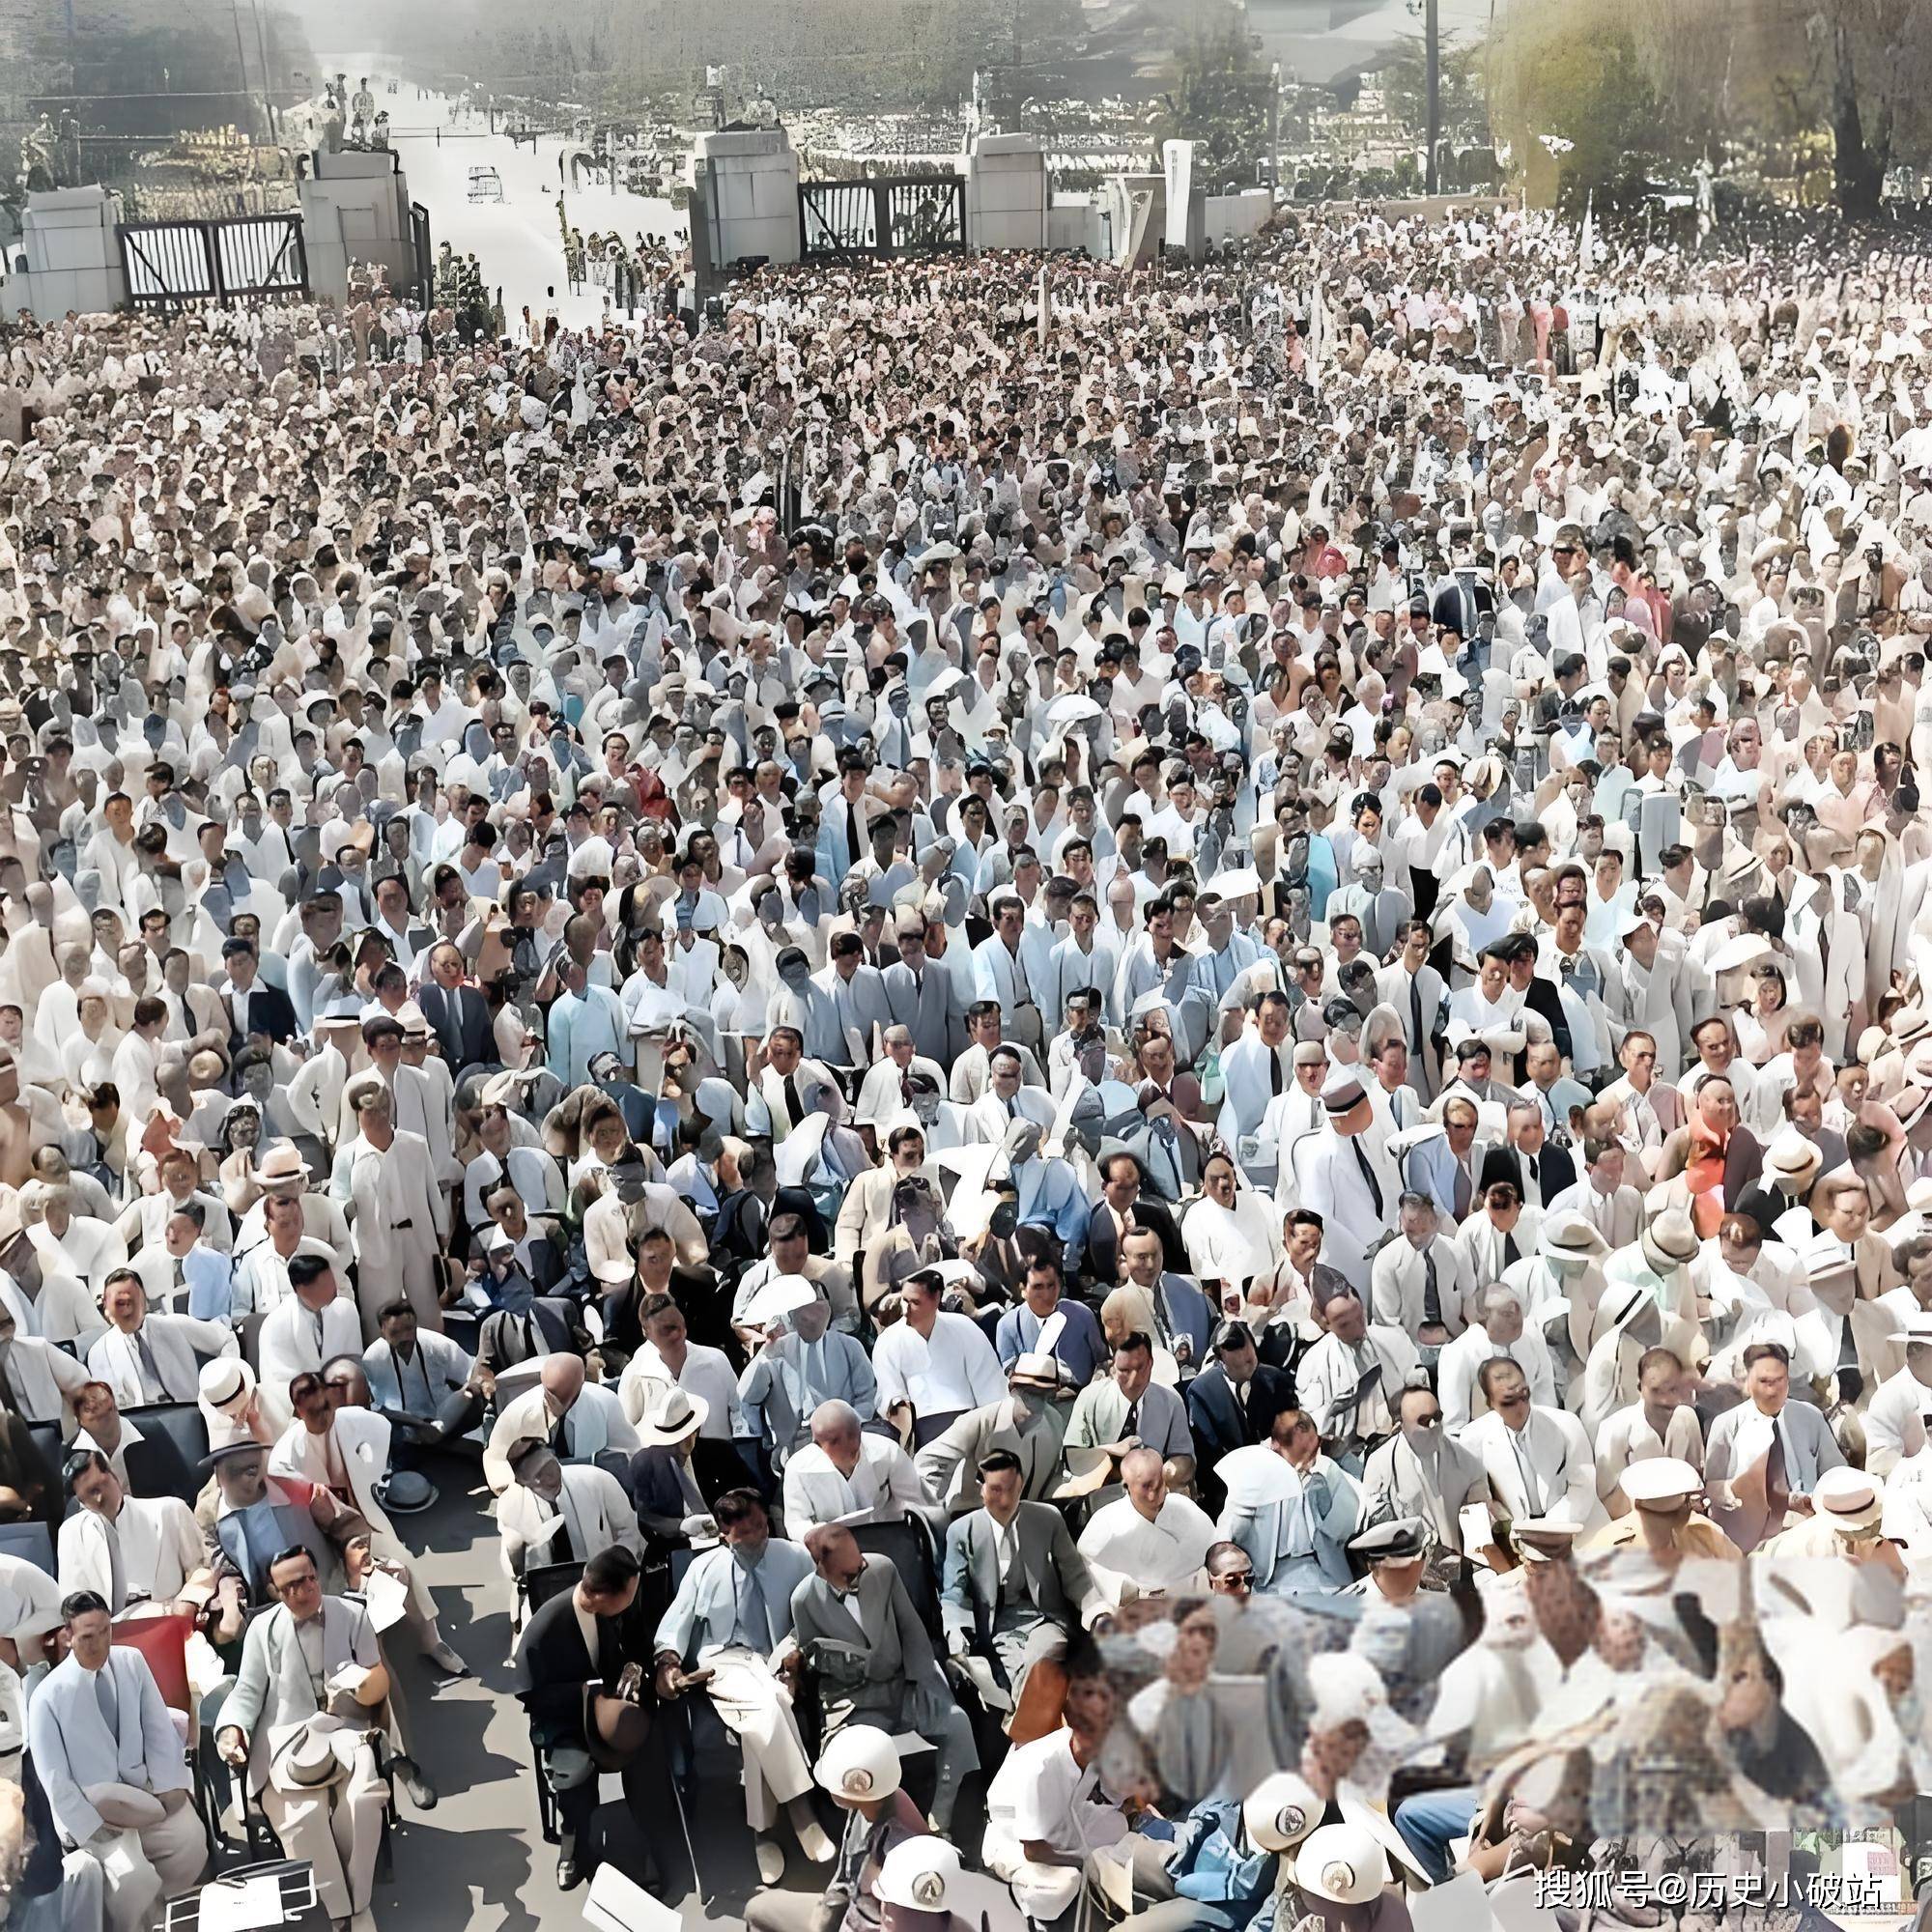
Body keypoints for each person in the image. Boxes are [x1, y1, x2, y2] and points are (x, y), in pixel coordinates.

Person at [653, 1489, 833, 1882]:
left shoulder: (795, 1557)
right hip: (724, 1660)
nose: (756, 1537)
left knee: (756, 1727)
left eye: (760, 1526)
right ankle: (801, 1811)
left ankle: (763, 1835)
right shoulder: (703, 1569)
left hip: (776, 1656)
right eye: (744, 1533)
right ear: (724, 1536)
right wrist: (669, 1664)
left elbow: (814, 1616)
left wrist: (796, 1658)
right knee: (768, 1708)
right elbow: (674, 1626)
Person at [214, 1546, 393, 1928]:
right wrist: (231, 1729)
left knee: (361, 1802)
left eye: (310, 1577)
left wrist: (362, 1686)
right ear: (277, 1591)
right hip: (286, 1740)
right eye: (293, 1584)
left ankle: (358, 1905)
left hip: (348, 1730)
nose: (306, 1588)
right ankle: (335, 1913)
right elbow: (246, 1691)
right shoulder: (262, 1630)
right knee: (304, 1818)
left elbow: (376, 1676)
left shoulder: (352, 1614)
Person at [27, 1589, 204, 1932]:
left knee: (190, 1840)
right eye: (88, 1637)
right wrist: (94, 1831)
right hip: (97, 1818)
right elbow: (55, 1781)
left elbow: (157, 1730)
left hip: (147, 1797)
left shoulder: (131, 1661)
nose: (99, 1645)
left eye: (105, 1632)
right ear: (68, 1636)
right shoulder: (47, 1697)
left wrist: (171, 1789)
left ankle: (171, 1918)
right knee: (133, 1879)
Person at [789, 1524, 980, 1831]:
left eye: (860, 1565)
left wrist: (920, 1683)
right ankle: (879, 1833)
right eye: (849, 1575)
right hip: (855, 1701)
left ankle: (939, 1818)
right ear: (822, 1569)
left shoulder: (882, 1569)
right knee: (854, 1764)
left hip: (904, 1685)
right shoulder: (803, 1600)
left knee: (957, 1723)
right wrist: (838, 1663)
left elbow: (912, 1629)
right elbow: (813, 1657)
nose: (860, 1576)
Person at [510, 1544, 660, 1891]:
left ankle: (654, 1835)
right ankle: (573, 1844)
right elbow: (531, 1696)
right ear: (596, 1595)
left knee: (651, 1750)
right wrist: (587, 1695)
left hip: (614, 1701)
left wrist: (633, 1671)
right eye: (626, 1598)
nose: (630, 1603)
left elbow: (637, 1642)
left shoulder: (619, 1602)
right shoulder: (543, 1629)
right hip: (566, 1718)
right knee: (574, 1772)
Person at [940, 1450, 1099, 1720]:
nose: (1004, 1499)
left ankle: (1018, 1727)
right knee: (1017, 1668)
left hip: (1042, 1619)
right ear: (981, 1489)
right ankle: (1036, 1733)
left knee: (1040, 1659)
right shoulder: (962, 1531)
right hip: (994, 1629)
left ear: (1022, 1485)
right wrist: (956, 1632)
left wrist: (1098, 1612)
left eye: (1011, 1489)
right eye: (995, 1489)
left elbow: (1076, 1575)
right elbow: (953, 1594)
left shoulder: (1047, 1519)